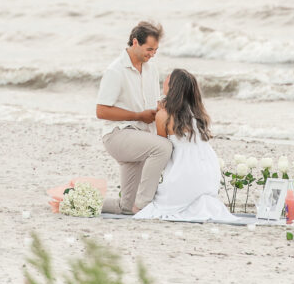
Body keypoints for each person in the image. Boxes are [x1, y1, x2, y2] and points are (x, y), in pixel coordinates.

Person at [134, 68, 243, 222]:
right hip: (210, 176)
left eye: (168, 79)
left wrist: (159, 112)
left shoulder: (163, 115)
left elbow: (162, 150)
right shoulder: (199, 114)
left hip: (185, 175)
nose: (164, 80)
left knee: (156, 203)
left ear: (173, 87)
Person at [97, 21, 172, 214]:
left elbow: (152, 104)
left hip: (141, 137)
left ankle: (76, 199)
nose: (152, 54)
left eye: (155, 50)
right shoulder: (115, 70)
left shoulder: (151, 69)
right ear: (135, 42)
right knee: (163, 148)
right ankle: (145, 204)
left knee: (127, 207)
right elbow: (101, 111)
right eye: (149, 49)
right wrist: (138, 115)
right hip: (118, 135)